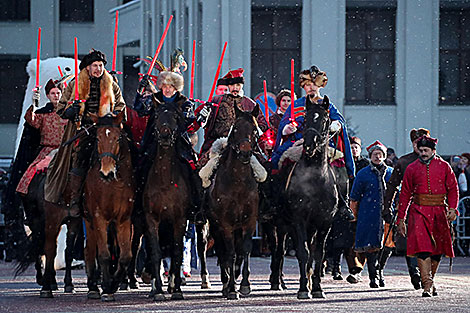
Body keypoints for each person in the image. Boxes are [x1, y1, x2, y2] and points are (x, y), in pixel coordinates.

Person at [44, 49, 126, 215]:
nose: (98, 69)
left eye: (101, 65)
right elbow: (61, 109)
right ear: (88, 67)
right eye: (94, 65)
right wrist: (71, 111)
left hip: (107, 129)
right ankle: (74, 199)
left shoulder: (112, 84)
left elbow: (121, 106)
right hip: (84, 130)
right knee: (80, 158)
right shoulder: (75, 84)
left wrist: (112, 116)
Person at [272, 65, 355, 220]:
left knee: (340, 164)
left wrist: (335, 125)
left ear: (319, 85)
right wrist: (285, 129)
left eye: (314, 84)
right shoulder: (295, 105)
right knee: (277, 161)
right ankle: (277, 201)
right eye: (308, 85)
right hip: (298, 143)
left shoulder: (327, 105)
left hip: (322, 144)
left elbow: (339, 121)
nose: (311, 88)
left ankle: (343, 203)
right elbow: (283, 123)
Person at [134, 70, 203, 224]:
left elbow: (188, 122)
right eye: (164, 86)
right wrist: (140, 91)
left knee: (191, 169)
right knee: (141, 167)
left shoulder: (184, 102)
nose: (167, 89)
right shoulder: (154, 99)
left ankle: (196, 206)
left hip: (178, 142)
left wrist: (199, 118)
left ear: (176, 88)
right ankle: (138, 204)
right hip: (154, 141)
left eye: (170, 86)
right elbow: (139, 109)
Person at [396, 135, 459, 297]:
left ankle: (430, 280)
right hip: (418, 212)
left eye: (426, 150)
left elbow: (453, 189)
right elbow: (405, 194)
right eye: (420, 150)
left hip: (439, 212)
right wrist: (401, 218)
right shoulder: (411, 168)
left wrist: (453, 208)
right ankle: (427, 285)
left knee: (437, 250)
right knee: (422, 248)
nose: (422, 153)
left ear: (433, 150)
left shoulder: (444, 167)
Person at [382, 127, 430, 290]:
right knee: (410, 241)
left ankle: (426, 274)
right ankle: (414, 271)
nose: (420, 146)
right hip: (410, 207)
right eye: (417, 143)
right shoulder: (404, 161)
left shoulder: (437, 162)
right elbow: (392, 185)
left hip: (431, 207)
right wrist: (387, 206)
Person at [194, 68, 268, 169]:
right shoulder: (217, 101)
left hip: (244, 143)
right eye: (232, 85)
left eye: (238, 85)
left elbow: (263, 124)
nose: (235, 88)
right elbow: (199, 120)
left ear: (242, 86)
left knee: (263, 170)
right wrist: (203, 117)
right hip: (219, 142)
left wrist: (255, 129)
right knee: (202, 169)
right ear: (228, 86)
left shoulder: (250, 104)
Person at [16, 79, 68, 223]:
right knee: (28, 177)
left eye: (58, 93)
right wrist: (33, 105)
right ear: (48, 95)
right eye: (53, 93)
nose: (56, 96)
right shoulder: (43, 113)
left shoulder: (69, 112)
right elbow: (32, 120)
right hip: (47, 150)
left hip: (66, 150)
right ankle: (30, 210)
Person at [350, 140, 393, 288]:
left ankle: (380, 271)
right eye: (375, 154)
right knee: (371, 248)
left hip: (388, 215)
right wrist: (354, 216)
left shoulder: (391, 173)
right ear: (370, 156)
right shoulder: (363, 174)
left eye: (380, 154)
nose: (378, 157)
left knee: (387, 247)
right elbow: (354, 196)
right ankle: (373, 277)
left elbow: (399, 193)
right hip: (368, 215)